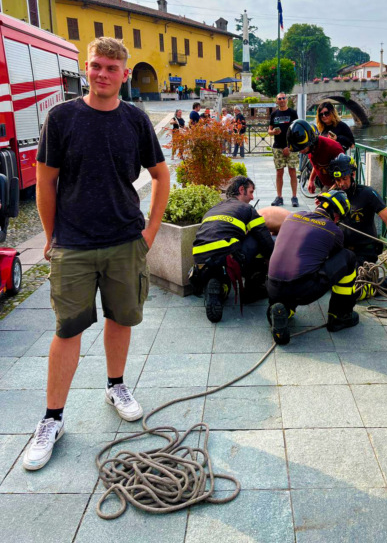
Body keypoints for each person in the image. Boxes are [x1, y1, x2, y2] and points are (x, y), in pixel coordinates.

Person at [22, 36, 170, 472]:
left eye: (110, 67)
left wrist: (152, 230)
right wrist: (52, 237)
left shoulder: (135, 121)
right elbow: (44, 182)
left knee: (121, 318)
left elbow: (161, 175)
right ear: (86, 68)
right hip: (74, 243)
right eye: (95, 65)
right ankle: (52, 419)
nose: (101, 73)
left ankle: (116, 385)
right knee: (67, 329)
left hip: (125, 239)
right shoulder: (62, 117)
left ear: (125, 74)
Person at [266, 190, 357, 345]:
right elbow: (334, 259)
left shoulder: (291, 216)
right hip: (303, 289)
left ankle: (282, 310)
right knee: (348, 257)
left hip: (272, 285)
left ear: (318, 204)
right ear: (336, 216)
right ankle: (340, 315)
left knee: (297, 268)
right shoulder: (333, 230)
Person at [191, 176, 274, 322]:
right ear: (241, 190)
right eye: (251, 192)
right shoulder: (247, 209)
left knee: (221, 261)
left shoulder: (213, 209)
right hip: (227, 257)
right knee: (258, 239)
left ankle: (218, 286)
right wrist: (273, 264)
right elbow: (265, 239)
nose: (252, 197)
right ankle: (253, 290)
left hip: (200, 259)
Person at [329, 154, 387, 297]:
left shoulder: (367, 193)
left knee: (350, 291)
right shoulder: (332, 195)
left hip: (364, 252)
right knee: (325, 282)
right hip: (341, 251)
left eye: (344, 179)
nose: (341, 184)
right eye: (337, 180)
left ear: (353, 174)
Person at [287, 119, 343, 193]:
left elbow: (346, 176)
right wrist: (311, 180)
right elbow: (317, 165)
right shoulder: (311, 149)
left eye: (302, 148)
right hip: (328, 185)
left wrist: (328, 194)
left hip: (341, 187)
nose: (301, 151)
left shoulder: (332, 148)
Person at [268, 93, 299, 207]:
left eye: (283, 98)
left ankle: (294, 197)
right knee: (279, 172)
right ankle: (279, 197)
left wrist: (289, 146)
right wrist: (273, 132)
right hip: (277, 147)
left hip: (291, 147)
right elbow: (269, 130)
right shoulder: (274, 114)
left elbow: (297, 130)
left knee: (292, 171)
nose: (281, 100)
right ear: (276, 101)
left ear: (287, 100)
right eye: (279, 98)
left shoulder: (292, 113)